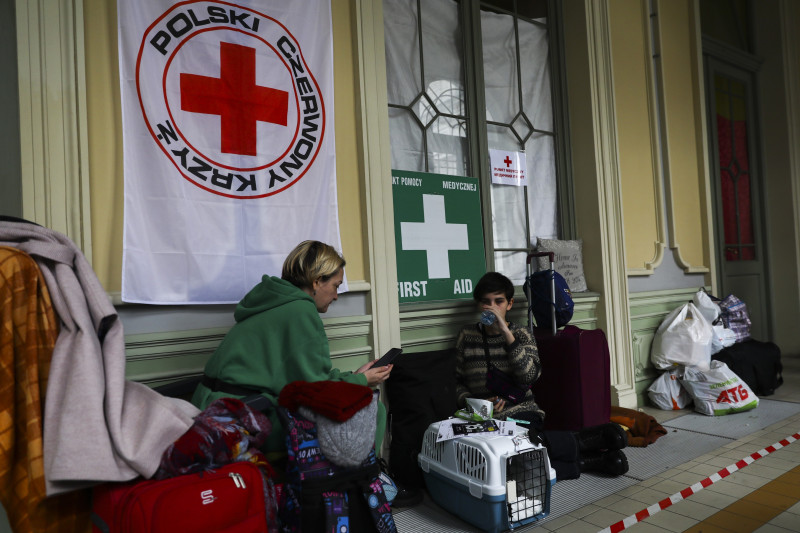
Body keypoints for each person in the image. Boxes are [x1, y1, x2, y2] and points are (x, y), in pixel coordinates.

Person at [192, 240, 392, 456]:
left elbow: (303, 374)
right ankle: (365, 483)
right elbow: (316, 391)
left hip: (213, 407)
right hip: (241, 418)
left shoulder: (277, 300)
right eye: (335, 285)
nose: (336, 296)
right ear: (316, 282)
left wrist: (353, 377)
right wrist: (362, 383)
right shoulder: (300, 311)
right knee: (372, 409)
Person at [455, 272, 628, 480]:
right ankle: (586, 456)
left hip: (520, 412)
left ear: (509, 304)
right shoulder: (467, 336)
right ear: (479, 305)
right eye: (486, 302)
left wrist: (506, 334)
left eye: (498, 302)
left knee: (523, 444)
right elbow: (456, 382)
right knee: (509, 465)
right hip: (484, 418)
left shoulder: (521, 334)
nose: (492, 307)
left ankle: (588, 440)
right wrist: (476, 403)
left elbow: (529, 377)